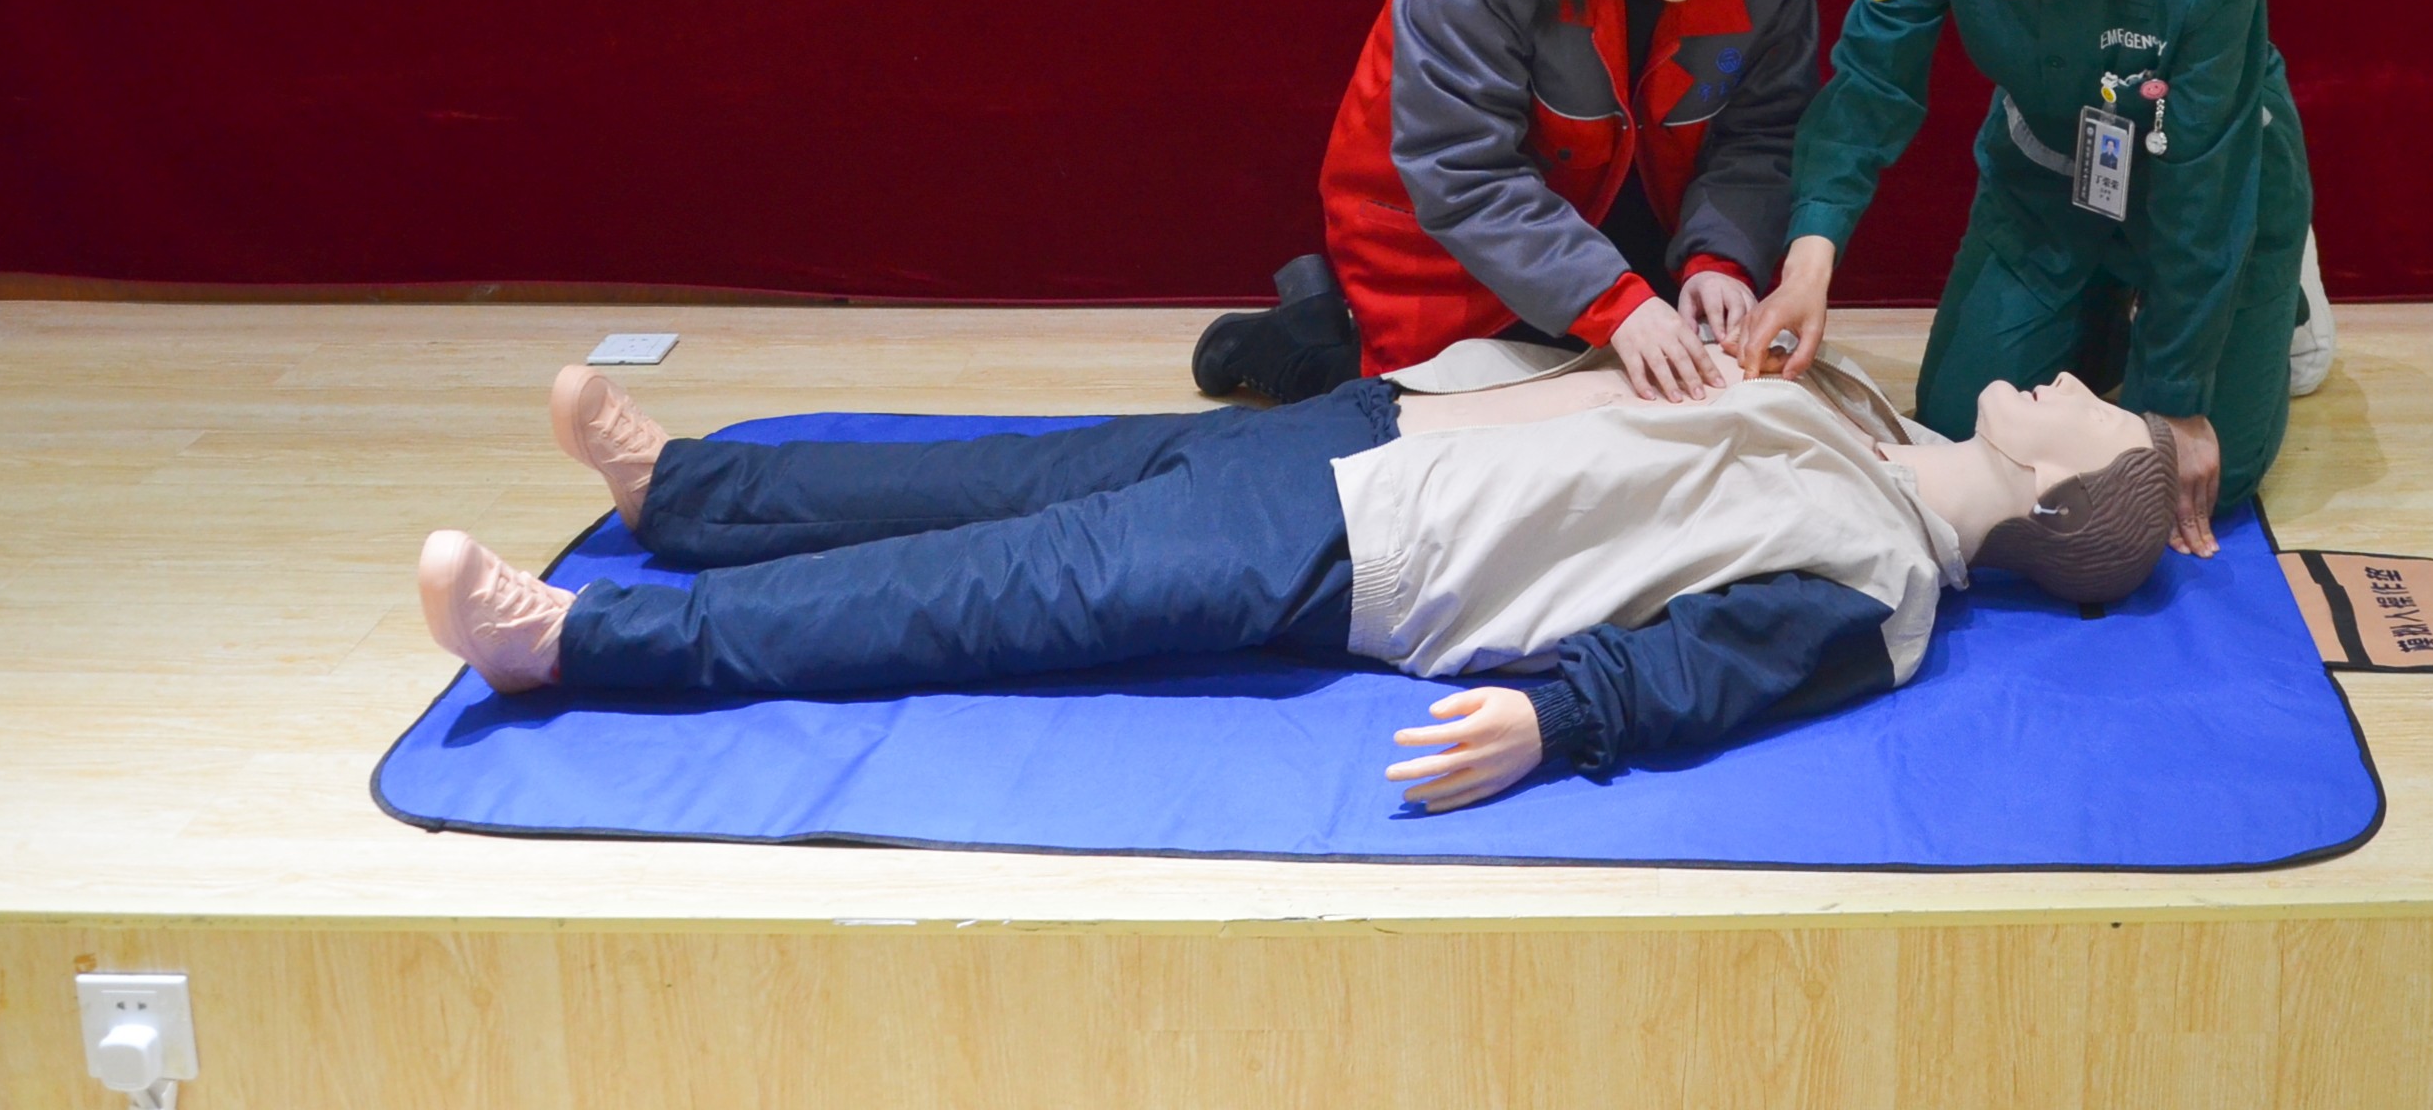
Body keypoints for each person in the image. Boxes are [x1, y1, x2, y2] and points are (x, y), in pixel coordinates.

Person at [416, 351, 2177, 810]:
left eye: (2089, 410)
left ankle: (586, 643)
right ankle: (686, 488)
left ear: (2052, 484)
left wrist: (1556, 722)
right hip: (1368, 431)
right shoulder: (1871, 416)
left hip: (1358, 549)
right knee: (1002, 470)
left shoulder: (1882, 589)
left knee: (975, 586)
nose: (2068, 379)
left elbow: (1706, 673)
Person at [1742, 0, 2331, 558]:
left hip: (2205, 180)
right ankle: (2100, 311)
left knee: (2188, 480)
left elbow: (2206, 178)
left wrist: (2176, 395)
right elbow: (1873, 73)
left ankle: (2281, 289)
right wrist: (1809, 263)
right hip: (2050, 179)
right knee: (1957, 428)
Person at [1197, 0, 1822, 408]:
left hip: (1640, 209)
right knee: (1447, 412)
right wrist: (1612, 301)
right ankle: (1304, 341)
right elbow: (1461, 169)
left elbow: (1762, 136)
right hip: (1460, 235)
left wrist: (1721, 261)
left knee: (1685, 392)